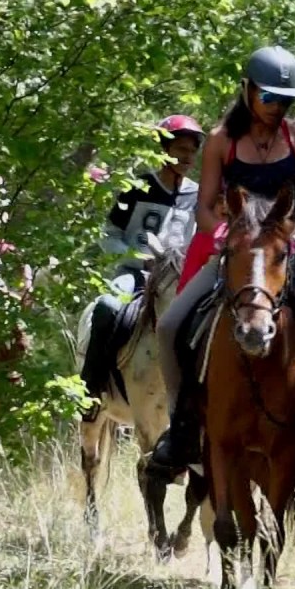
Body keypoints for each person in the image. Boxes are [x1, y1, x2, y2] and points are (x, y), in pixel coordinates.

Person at [148, 45, 295, 486]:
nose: (276, 107)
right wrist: (225, 238)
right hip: (234, 250)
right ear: (248, 90)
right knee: (170, 325)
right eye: (268, 97)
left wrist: (293, 238)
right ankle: (180, 430)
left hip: (287, 249)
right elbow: (206, 206)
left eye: (284, 100)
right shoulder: (220, 140)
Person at [79, 115, 205, 419]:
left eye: (192, 151)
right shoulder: (137, 188)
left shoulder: (198, 195)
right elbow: (108, 235)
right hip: (135, 274)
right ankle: (91, 391)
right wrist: (137, 257)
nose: (187, 157)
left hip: (178, 281)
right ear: (162, 149)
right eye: (180, 149)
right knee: (107, 307)